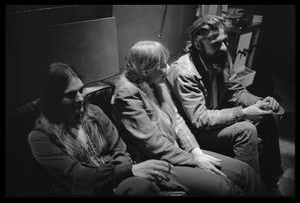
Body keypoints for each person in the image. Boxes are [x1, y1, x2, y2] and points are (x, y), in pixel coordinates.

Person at [111, 40, 267, 196]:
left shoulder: (155, 80)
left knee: (245, 172)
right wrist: (194, 160)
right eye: (163, 65)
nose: (168, 68)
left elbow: (177, 120)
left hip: (178, 151)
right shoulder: (126, 96)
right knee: (225, 187)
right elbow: (154, 145)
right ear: (145, 71)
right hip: (157, 162)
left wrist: (196, 151)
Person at [165, 15, 283, 195]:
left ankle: (270, 179)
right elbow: (200, 119)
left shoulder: (221, 56)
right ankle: (253, 189)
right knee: (245, 129)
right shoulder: (184, 72)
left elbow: (236, 91)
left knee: (269, 114)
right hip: (198, 132)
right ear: (198, 44)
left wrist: (259, 102)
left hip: (216, 117)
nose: (224, 47)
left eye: (225, 41)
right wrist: (243, 112)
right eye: (216, 43)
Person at [28, 62, 175, 196]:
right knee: (138, 187)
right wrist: (126, 172)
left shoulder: (94, 112)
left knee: (168, 173)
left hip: (123, 179)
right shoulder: (40, 137)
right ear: (53, 99)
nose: (80, 98)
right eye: (71, 94)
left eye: (81, 90)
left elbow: (120, 151)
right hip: (92, 190)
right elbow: (78, 176)